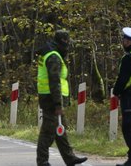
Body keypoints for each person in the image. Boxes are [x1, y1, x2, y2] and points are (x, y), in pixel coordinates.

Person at [36, 30, 87, 166]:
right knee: (48, 131)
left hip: (50, 97)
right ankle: (42, 161)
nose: (68, 46)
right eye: (67, 42)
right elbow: (55, 82)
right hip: (51, 99)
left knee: (61, 129)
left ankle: (69, 158)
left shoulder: (51, 52)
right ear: (63, 42)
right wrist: (58, 104)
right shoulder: (53, 57)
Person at [113, 27, 131, 166]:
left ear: (128, 41)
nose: (123, 42)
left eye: (124, 39)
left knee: (130, 126)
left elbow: (123, 78)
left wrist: (116, 92)